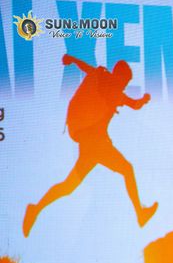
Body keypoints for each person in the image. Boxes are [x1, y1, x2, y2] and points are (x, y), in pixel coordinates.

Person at [22, 54, 157, 237]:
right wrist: (72, 59)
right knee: (127, 169)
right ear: (119, 75)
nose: (125, 85)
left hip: (90, 145)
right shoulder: (107, 82)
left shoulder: (110, 86)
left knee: (69, 186)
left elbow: (133, 103)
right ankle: (140, 214)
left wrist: (143, 100)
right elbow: (132, 102)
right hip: (94, 142)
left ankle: (35, 209)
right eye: (125, 81)